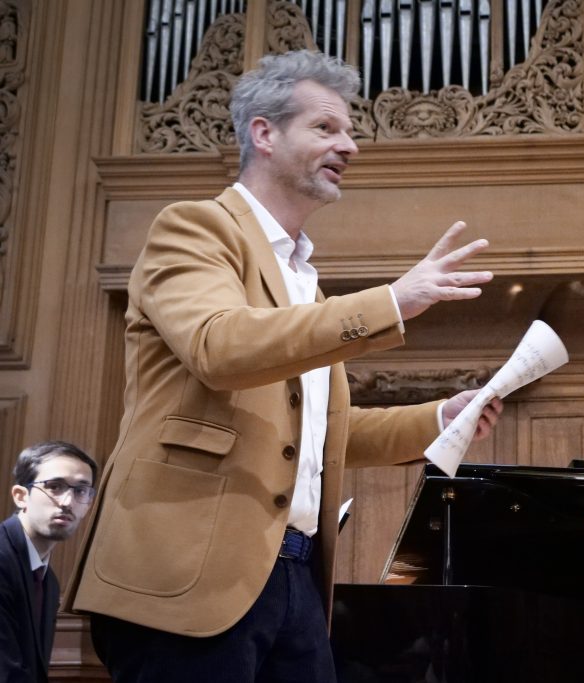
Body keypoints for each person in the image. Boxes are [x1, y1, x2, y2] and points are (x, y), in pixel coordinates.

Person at [65, 50, 502, 682]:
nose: (349, 145)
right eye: (326, 128)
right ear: (264, 133)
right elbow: (219, 346)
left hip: (294, 575)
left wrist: (441, 417)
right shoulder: (194, 228)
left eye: (350, 130)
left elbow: (325, 433)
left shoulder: (304, 284)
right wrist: (390, 301)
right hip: (189, 578)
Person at [1, 441, 98, 682]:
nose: (67, 502)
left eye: (80, 491)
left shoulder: (49, 581)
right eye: (54, 487)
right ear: (21, 496)